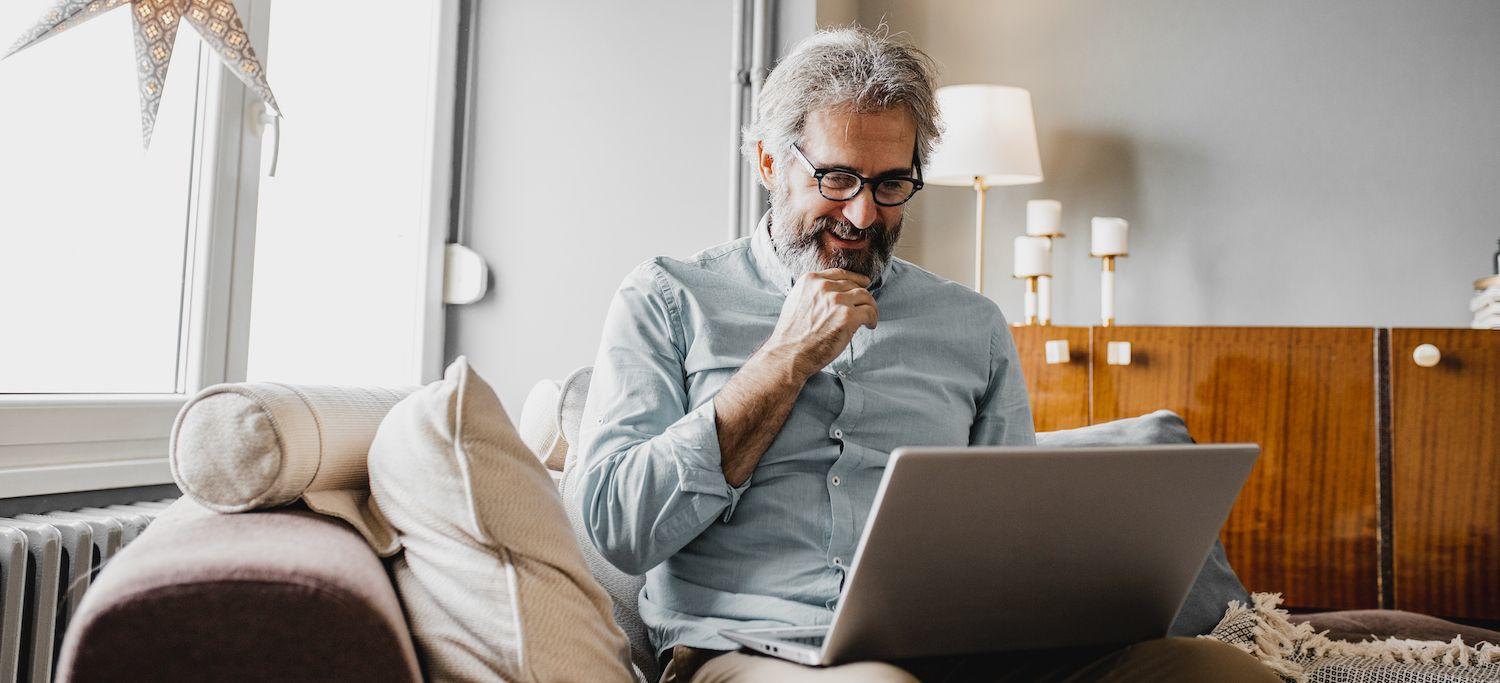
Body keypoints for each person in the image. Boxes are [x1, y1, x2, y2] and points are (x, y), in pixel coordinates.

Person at [575, 26, 1276, 683]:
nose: (861, 216)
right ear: (767, 160)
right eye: (837, 179)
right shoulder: (667, 297)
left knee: (1220, 672)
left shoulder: (970, 324)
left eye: (890, 185)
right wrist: (783, 360)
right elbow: (616, 528)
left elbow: (1018, 531)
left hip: (962, 653)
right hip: (752, 648)